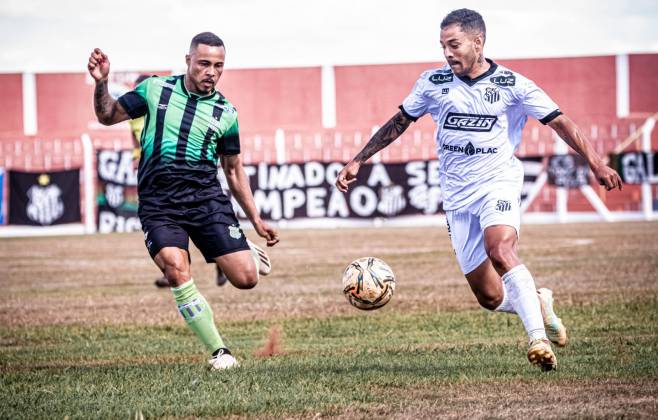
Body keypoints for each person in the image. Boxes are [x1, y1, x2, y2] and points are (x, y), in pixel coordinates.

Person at [335, 9, 622, 372]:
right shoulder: (433, 83)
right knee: (488, 296)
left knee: (501, 250)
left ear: (477, 42)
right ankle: (537, 300)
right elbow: (400, 121)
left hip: (497, 183)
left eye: (454, 44)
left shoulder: (512, 85)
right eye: (443, 46)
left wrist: (596, 162)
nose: (447, 53)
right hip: (456, 197)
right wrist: (359, 159)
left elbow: (560, 122)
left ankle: (537, 338)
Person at [88, 32, 279, 370]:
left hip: (206, 201)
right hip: (160, 204)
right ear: (188, 60)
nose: (212, 72)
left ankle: (237, 248)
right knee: (176, 269)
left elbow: (233, 171)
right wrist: (102, 83)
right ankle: (220, 352)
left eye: (219, 66)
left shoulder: (226, 113)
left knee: (247, 279)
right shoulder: (154, 90)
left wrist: (257, 219)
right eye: (204, 63)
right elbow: (107, 115)